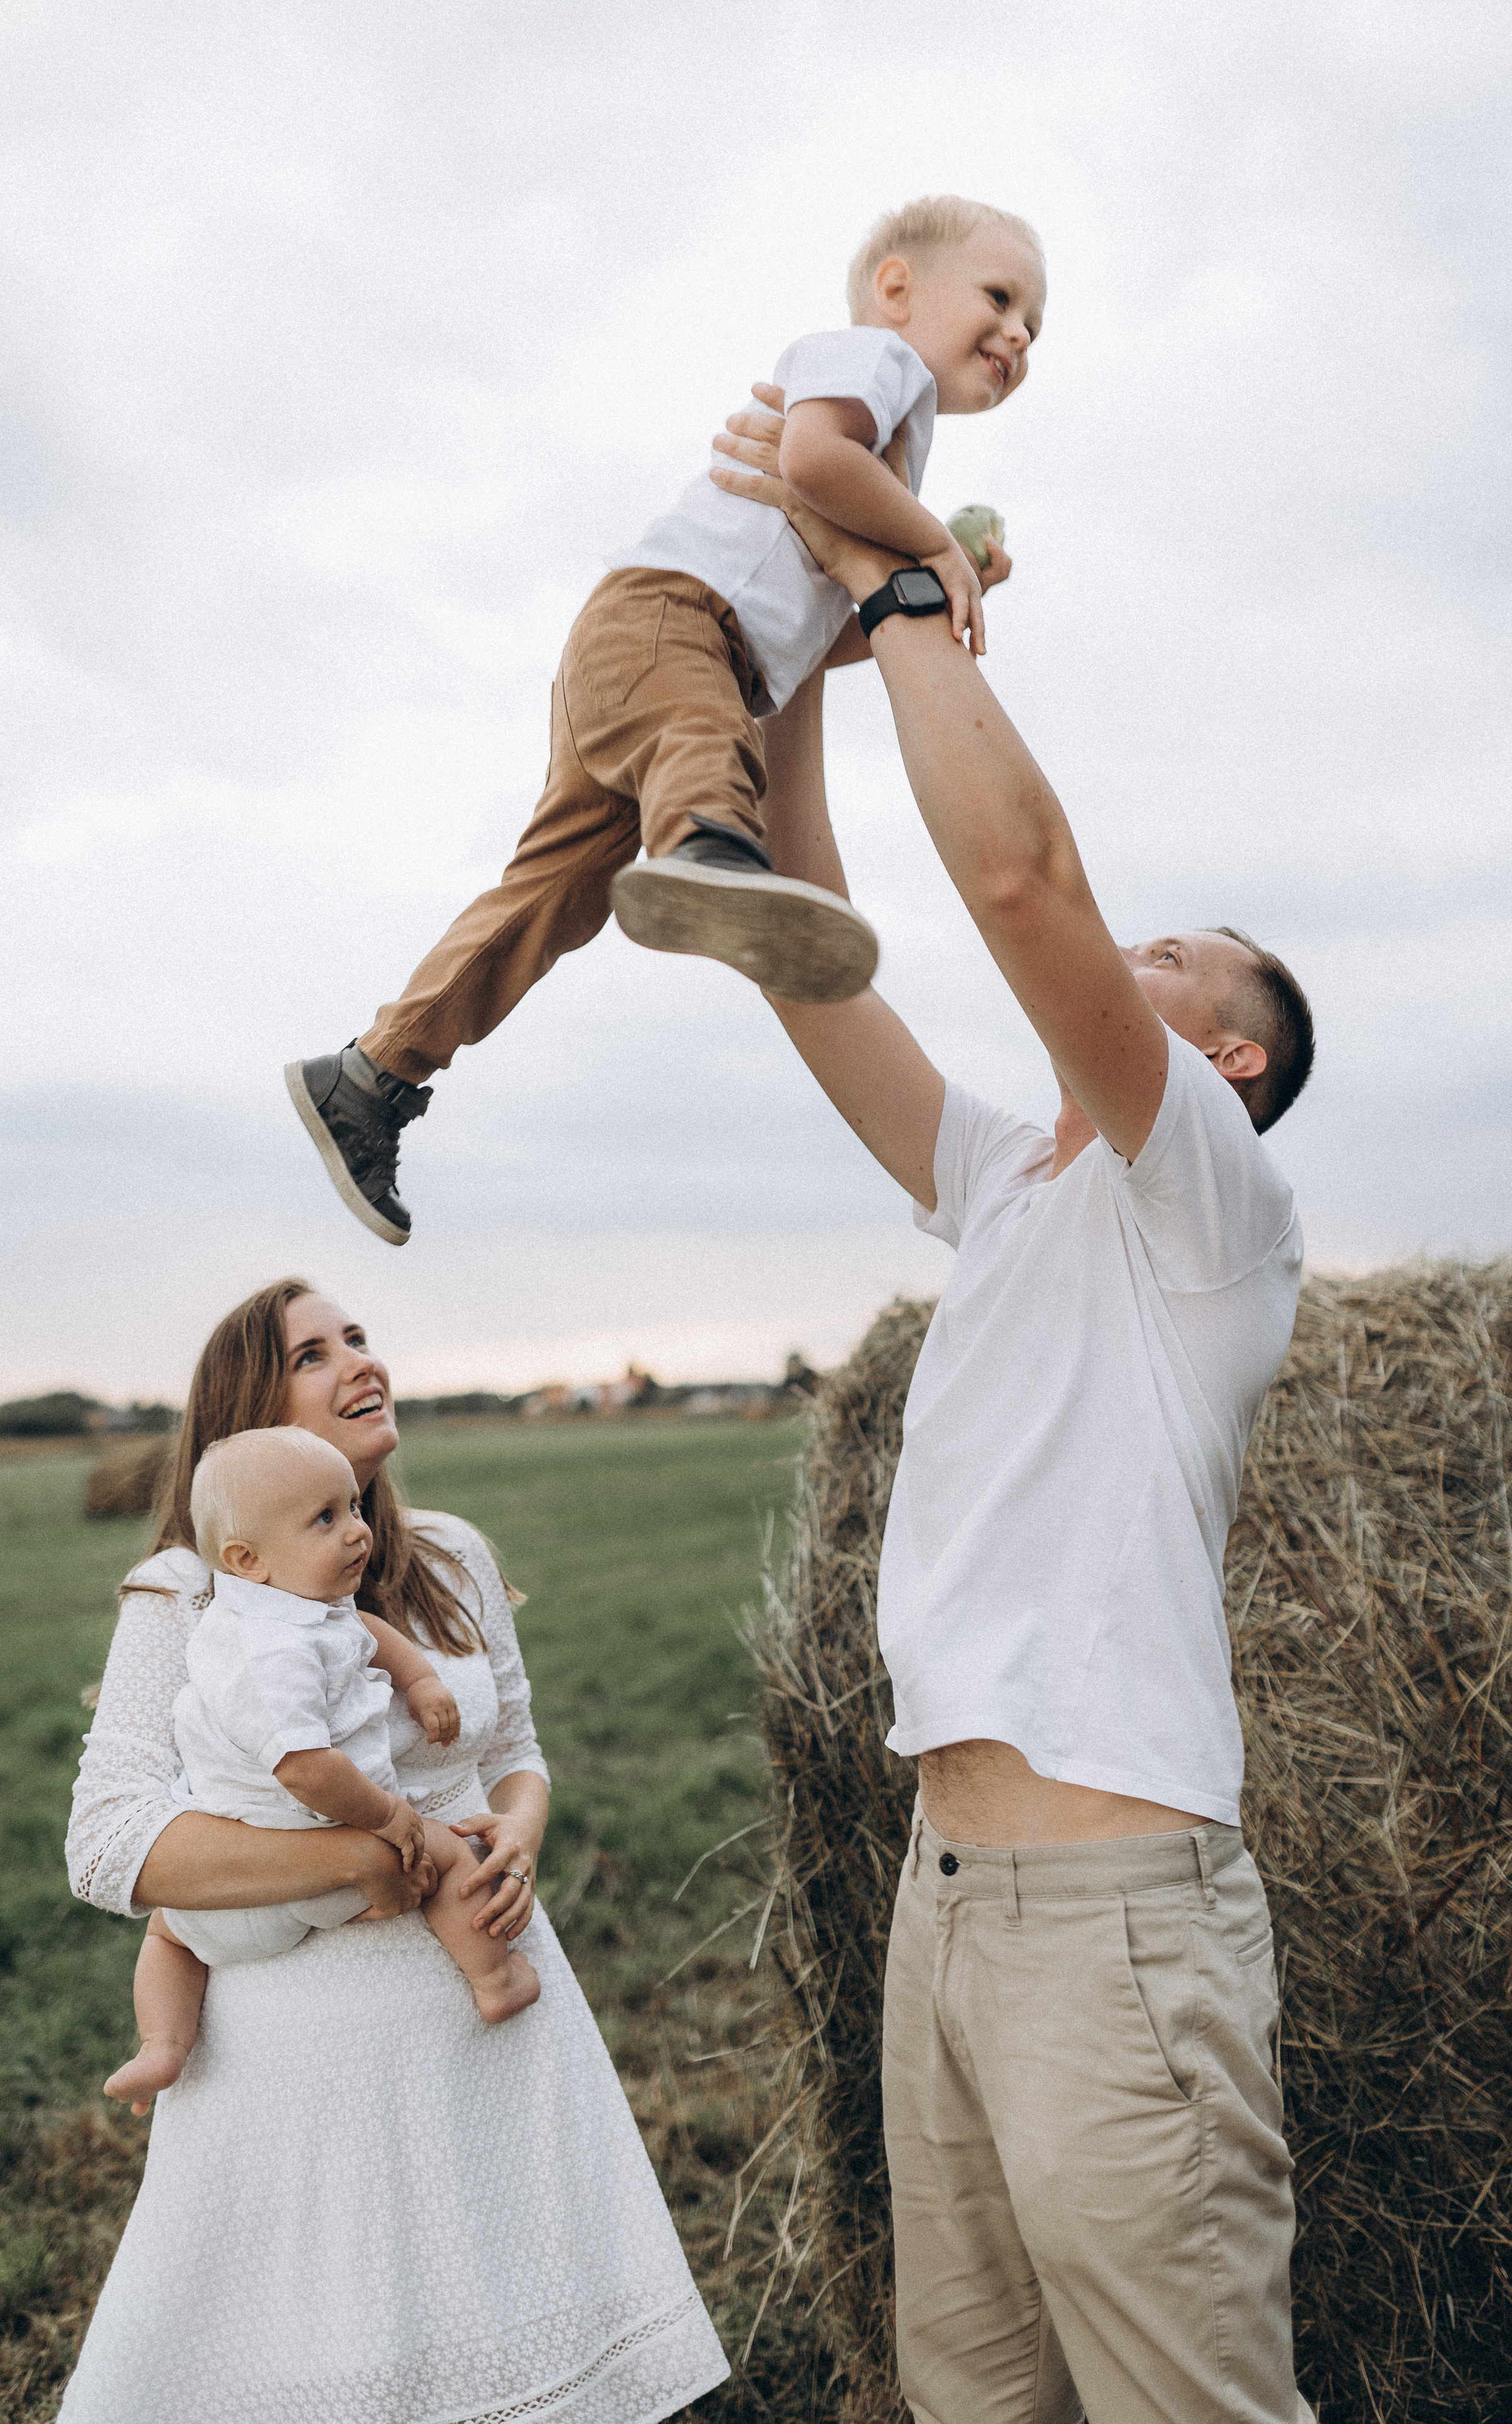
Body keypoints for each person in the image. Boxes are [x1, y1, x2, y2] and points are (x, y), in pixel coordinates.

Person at [709, 403, 1319, 2421]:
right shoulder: (1010, 1179)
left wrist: (909, 590)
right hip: (941, 1902)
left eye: (1166, 960)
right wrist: (789, 622)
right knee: (969, 2399)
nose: (1112, 952)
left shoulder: (1209, 1206)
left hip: (1112, 1928)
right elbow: (802, 956)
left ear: (1222, 1057)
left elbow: (1016, 869)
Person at [285, 193, 1045, 1246]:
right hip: (671, 625)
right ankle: (703, 849)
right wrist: (939, 548)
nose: (1017, 336)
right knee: (707, 734)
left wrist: (917, 589)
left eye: (1033, 332)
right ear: (900, 289)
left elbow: (817, 639)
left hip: (651, 660)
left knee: (553, 897)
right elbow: (814, 464)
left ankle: (374, 1074)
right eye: (1002, 300)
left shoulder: (896, 452)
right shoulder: (877, 367)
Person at [59, 1280, 727, 2424]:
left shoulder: (454, 1557)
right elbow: (109, 1842)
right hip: (308, 2053)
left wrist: (516, 1833)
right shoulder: (192, 1589)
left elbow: (518, 1750)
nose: (360, 1360)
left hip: (497, 2003)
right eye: (314, 1353)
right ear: (251, 1415)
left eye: (359, 1337)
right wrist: (359, 1861)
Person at [103, 1427, 537, 2118]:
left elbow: (367, 1633)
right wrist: (389, 1819)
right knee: (450, 1857)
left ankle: (163, 2041)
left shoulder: (271, 1610)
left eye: (354, 1508)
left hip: (220, 1892)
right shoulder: (274, 1651)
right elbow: (306, 1769)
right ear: (247, 1557)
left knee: (166, 1933)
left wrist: (419, 1680)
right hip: (314, 1864)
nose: (356, 1532)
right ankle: (494, 1978)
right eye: (325, 1518)